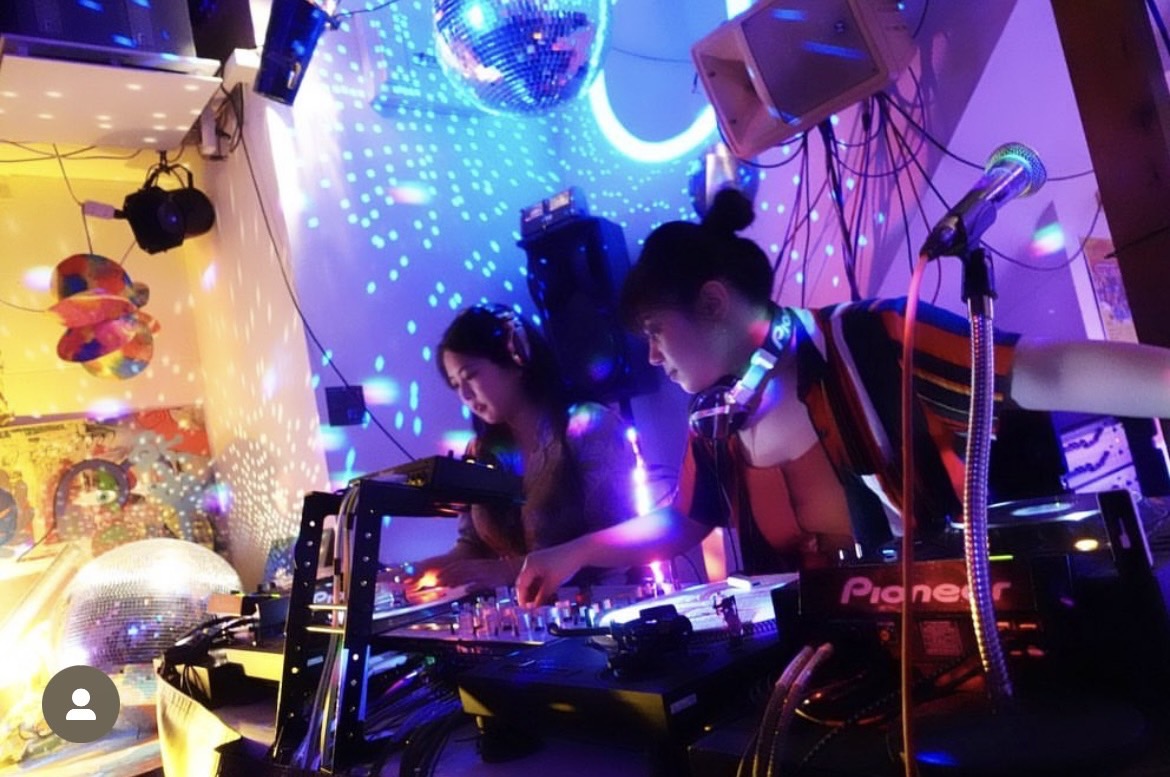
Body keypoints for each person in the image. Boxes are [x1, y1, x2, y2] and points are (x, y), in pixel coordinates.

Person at [515, 188, 1170, 605]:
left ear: (713, 303)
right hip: (821, 667)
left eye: (656, 333)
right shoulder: (715, 418)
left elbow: (1045, 371)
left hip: (956, 629)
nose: (653, 359)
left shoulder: (871, 339)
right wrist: (573, 551)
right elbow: (685, 519)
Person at [406, 303, 640, 591]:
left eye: (471, 376)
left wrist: (509, 570)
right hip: (518, 611)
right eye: (455, 385)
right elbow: (473, 546)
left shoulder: (588, 425)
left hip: (602, 602)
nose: (465, 394)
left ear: (516, 357)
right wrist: (415, 571)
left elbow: (617, 537)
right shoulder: (479, 450)